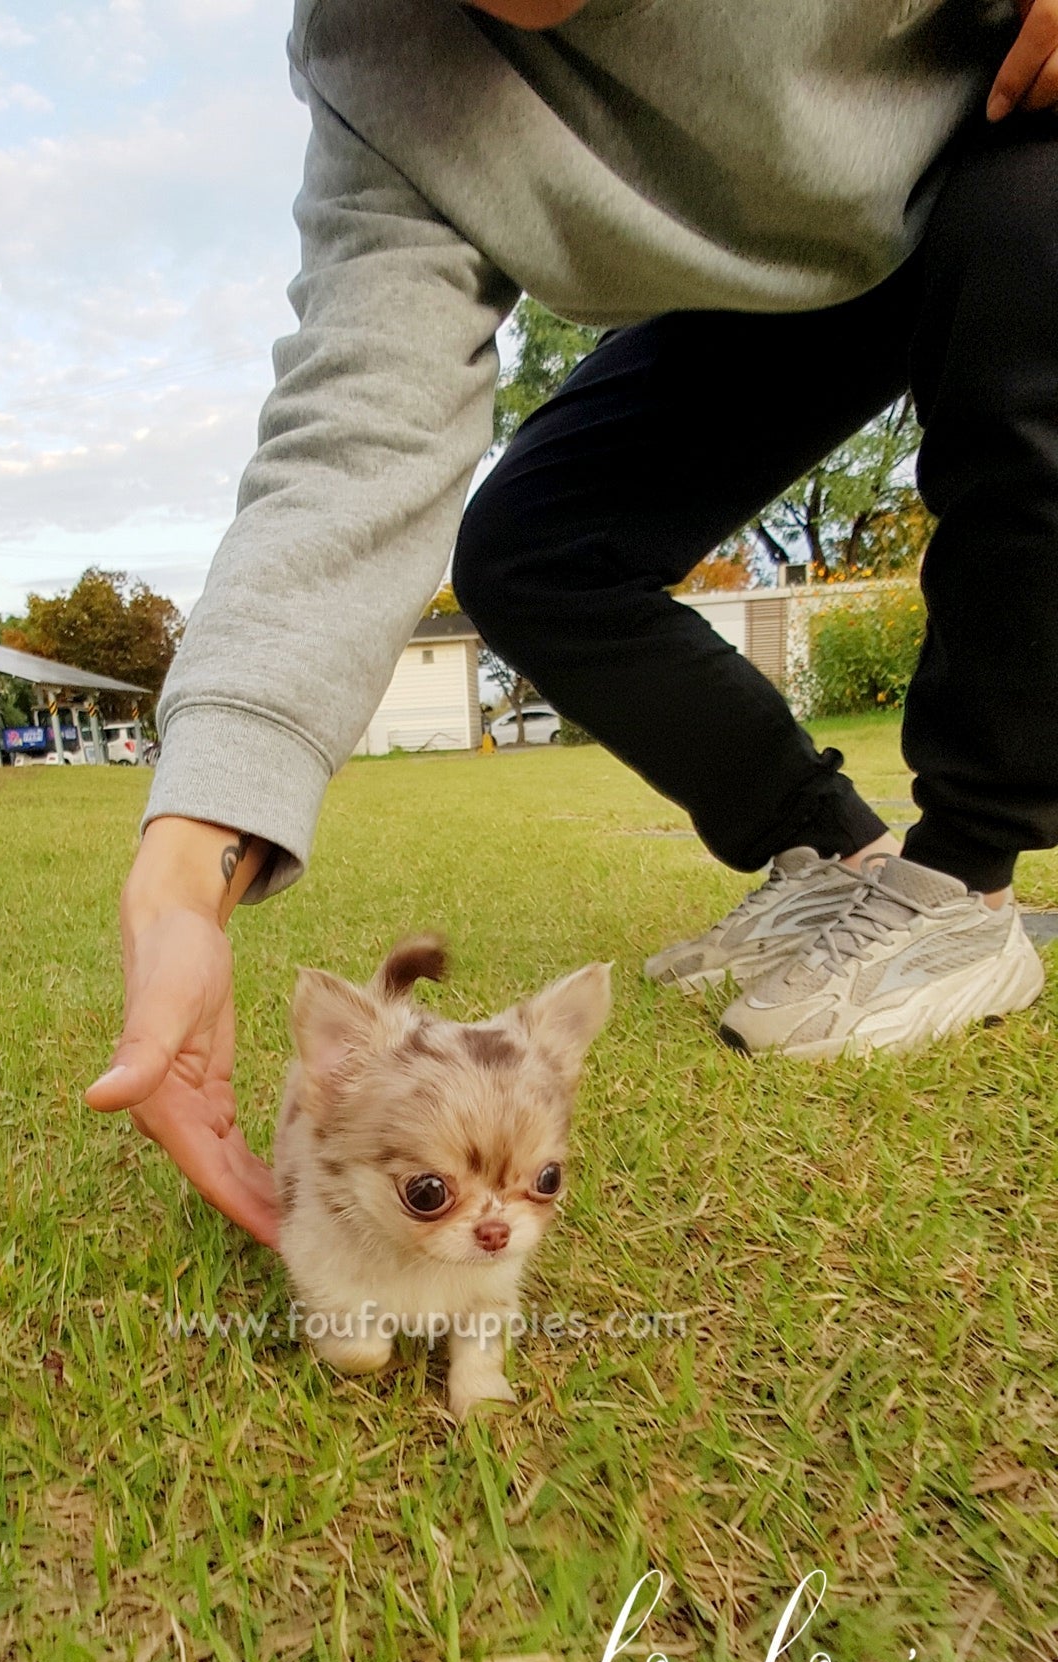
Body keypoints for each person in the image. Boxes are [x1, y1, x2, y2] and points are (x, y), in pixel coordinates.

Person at [86, 0, 1058, 1240]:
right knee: (529, 547)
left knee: (1036, 225)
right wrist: (184, 874)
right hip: (787, 277)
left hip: (999, 130)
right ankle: (836, 856)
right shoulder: (379, 58)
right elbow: (355, 436)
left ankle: (963, 881)